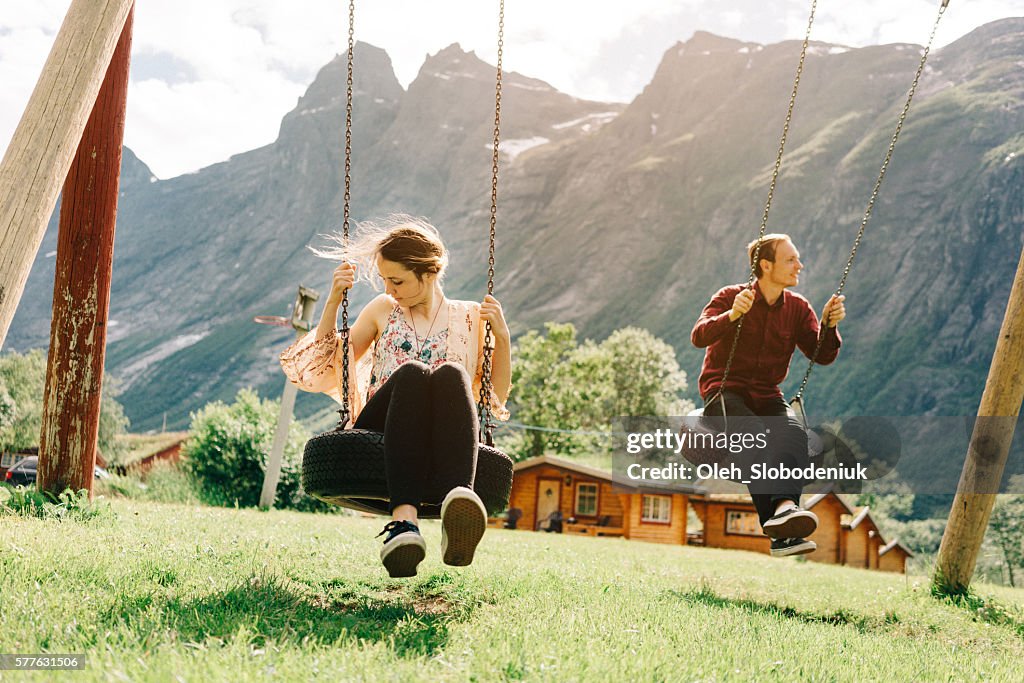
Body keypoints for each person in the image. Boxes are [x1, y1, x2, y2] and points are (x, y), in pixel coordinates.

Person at [280, 216, 511, 577]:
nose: (390, 288)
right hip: (382, 427)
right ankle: (404, 524)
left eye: (397, 280)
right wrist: (332, 302)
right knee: (413, 372)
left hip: (445, 438)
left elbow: (495, 396)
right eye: (385, 279)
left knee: (453, 374)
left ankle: (458, 508)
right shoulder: (382, 310)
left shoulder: (471, 318)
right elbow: (321, 366)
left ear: (430, 273)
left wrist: (503, 338)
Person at [691, 234, 846, 557]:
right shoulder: (731, 296)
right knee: (755, 437)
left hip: (767, 394)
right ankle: (779, 527)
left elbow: (821, 355)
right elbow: (699, 336)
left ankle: (785, 510)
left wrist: (829, 327)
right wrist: (732, 315)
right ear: (766, 265)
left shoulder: (798, 308)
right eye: (791, 259)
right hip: (723, 391)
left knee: (792, 434)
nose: (798, 265)